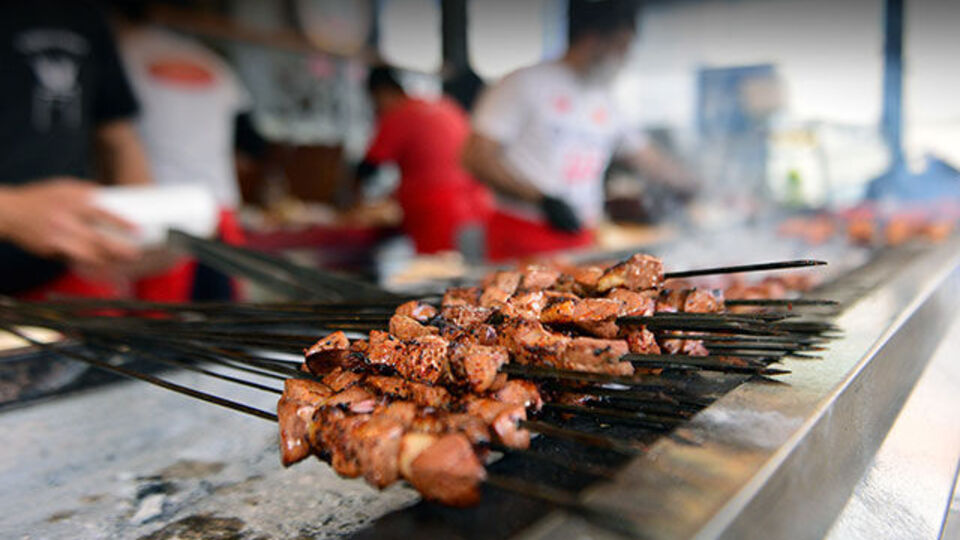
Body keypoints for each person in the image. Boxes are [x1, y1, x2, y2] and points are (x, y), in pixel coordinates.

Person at [462, 0, 693, 261]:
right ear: (593, 39)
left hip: (582, 234)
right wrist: (542, 200)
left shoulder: (605, 97)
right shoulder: (523, 83)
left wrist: (696, 185)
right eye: (621, 46)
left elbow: (647, 158)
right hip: (525, 233)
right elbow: (476, 156)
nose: (625, 57)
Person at [0, 0, 152, 298]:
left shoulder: (85, 14)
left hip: (56, 279)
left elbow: (118, 135)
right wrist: (11, 211)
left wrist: (145, 227)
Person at [111, 3, 259, 301]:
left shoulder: (116, 55)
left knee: (157, 320)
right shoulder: (210, 60)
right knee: (225, 319)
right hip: (220, 209)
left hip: (156, 216)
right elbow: (252, 143)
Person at [356, 66, 493, 255]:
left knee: (439, 268)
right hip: (477, 204)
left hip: (436, 210)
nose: (375, 108)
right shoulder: (446, 106)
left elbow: (369, 167)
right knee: (466, 266)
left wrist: (354, 204)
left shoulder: (398, 114)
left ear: (382, 92)